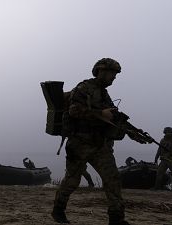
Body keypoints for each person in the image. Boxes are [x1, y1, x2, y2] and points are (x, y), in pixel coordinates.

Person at [51, 58, 147, 225]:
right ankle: (58, 210)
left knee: (113, 179)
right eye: (112, 74)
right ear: (101, 71)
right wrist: (100, 114)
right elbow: (74, 111)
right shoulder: (84, 88)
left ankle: (117, 219)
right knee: (72, 181)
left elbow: (114, 117)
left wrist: (134, 132)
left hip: (100, 145)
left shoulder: (104, 93)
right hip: (79, 143)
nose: (114, 78)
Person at [154, 127, 172, 191]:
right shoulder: (162, 140)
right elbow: (159, 150)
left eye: (169, 132)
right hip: (163, 160)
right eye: (166, 132)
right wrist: (156, 158)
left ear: (171, 132)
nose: (167, 133)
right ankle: (157, 188)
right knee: (159, 173)